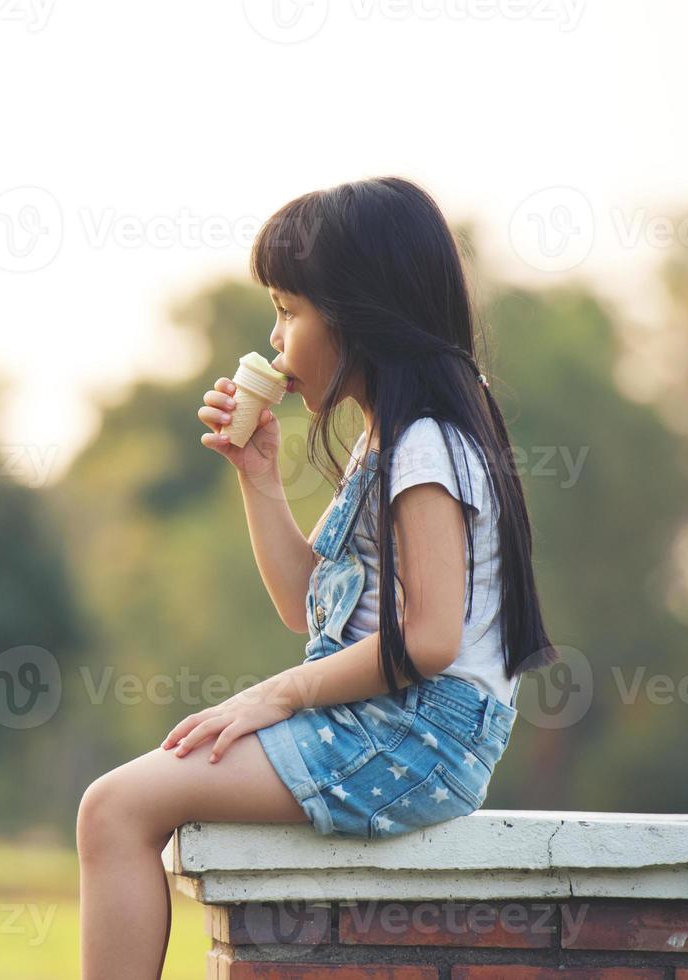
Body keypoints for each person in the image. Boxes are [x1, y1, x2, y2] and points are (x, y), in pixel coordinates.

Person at [76, 176, 560, 979]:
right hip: (394, 719)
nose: (275, 339)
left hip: (416, 731)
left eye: (288, 310)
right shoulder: (388, 442)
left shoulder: (423, 446)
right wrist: (256, 476)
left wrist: (271, 697)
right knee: (118, 806)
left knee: (116, 808)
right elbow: (310, 613)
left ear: (360, 316)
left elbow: (432, 639)